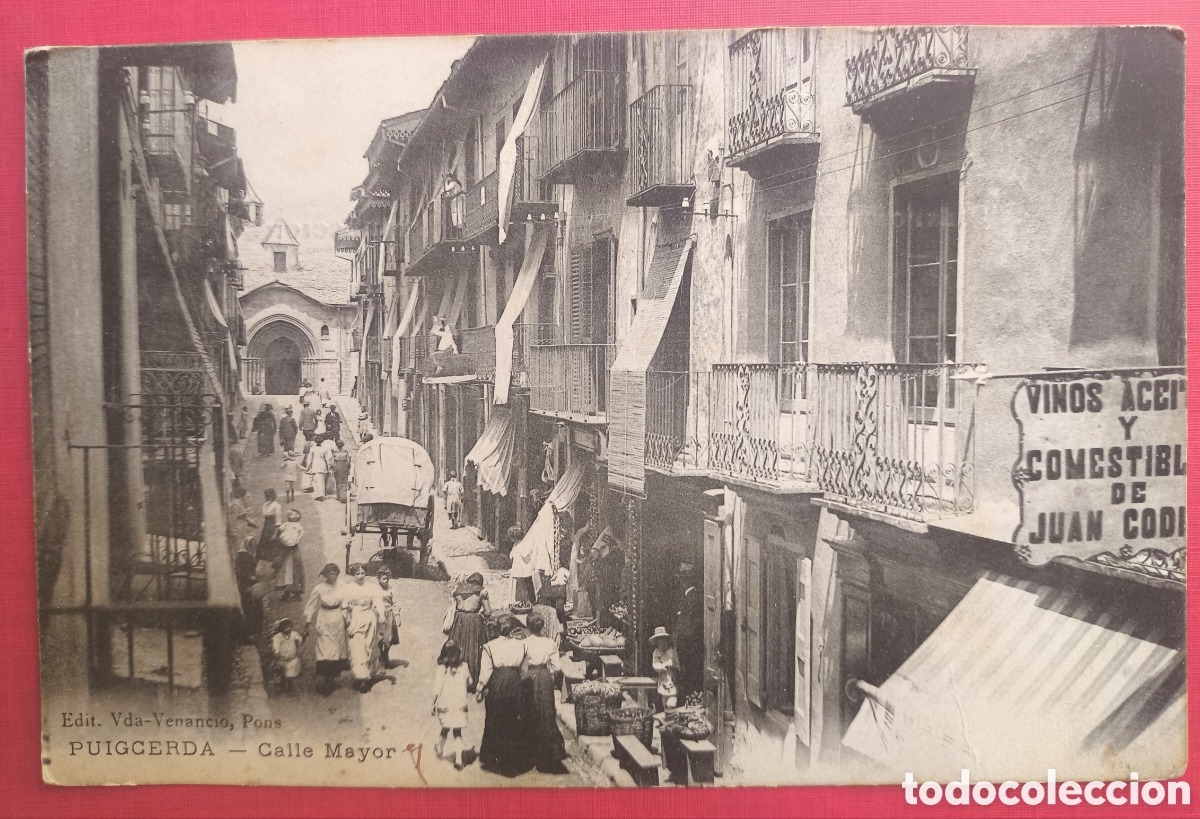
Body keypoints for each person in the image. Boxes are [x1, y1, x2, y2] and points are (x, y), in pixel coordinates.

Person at [476, 615, 533, 778]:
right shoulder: (522, 646)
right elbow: (524, 672)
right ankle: (513, 762)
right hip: (515, 684)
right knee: (514, 720)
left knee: (495, 719)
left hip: (497, 684)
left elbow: (486, 672)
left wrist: (480, 688)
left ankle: (494, 760)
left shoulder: (489, 646)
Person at [522, 613, 567, 773]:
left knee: (530, 711)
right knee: (546, 712)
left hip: (529, 676)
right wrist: (549, 675)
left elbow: (521, 664)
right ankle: (549, 751)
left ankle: (530, 751)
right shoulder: (550, 643)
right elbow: (556, 666)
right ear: (542, 627)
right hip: (545, 677)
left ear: (528, 627)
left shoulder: (524, 643)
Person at [304, 563, 349, 695]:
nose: (333, 576)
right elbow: (311, 606)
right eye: (330, 574)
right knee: (325, 648)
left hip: (338, 619)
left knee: (337, 648)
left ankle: (332, 678)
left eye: (335, 573)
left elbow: (345, 603)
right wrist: (307, 623)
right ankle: (326, 679)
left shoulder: (342, 586)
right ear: (325, 575)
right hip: (324, 619)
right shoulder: (319, 588)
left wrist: (348, 620)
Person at [443, 572, 491, 693]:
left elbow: (455, 595)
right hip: (474, 622)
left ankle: (454, 678)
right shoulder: (481, 592)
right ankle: (472, 680)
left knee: (458, 646)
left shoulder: (459, 590)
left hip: (459, 620)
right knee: (473, 649)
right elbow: (488, 612)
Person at [432, 640, 473, 770]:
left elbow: (437, 688)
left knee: (444, 729)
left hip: (446, 705)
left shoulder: (441, 669)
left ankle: (439, 749)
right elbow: (470, 683)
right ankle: (459, 759)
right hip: (460, 704)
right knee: (457, 732)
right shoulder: (465, 667)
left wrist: (433, 703)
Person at [342, 562, 382, 692]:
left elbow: (378, 602)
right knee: (357, 648)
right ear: (353, 575)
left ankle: (368, 675)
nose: (360, 576)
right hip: (355, 619)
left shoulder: (371, 587)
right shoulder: (349, 588)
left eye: (362, 573)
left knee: (368, 646)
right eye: (357, 573)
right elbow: (345, 607)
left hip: (369, 619)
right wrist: (348, 623)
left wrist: (380, 614)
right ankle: (361, 679)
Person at [275, 509, 305, 601]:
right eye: (291, 514)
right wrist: (279, 539)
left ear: (298, 518)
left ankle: (297, 593)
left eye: (295, 515)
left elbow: (300, 534)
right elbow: (279, 531)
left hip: (293, 549)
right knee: (285, 572)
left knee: (295, 570)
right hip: (285, 550)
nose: (292, 516)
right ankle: (286, 592)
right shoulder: (285, 524)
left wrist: (295, 540)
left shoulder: (298, 526)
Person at [649, 626, 680, 711]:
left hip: (672, 679)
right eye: (659, 642)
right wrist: (662, 667)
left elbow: (677, 664)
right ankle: (667, 719)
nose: (662, 644)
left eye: (663, 641)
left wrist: (673, 666)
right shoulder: (656, 652)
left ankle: (671, 715)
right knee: (664, 703)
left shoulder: (672, 651)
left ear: (667, 641)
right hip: (663, 680)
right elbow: (655, 664)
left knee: (672, 703)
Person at [376, 567, 400, 669]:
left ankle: (385, 655)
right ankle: (381, 658)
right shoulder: (375, 589)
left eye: (387, 579)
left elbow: (396, 604)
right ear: (379, 579)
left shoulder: (392, 589)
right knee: (378, 639)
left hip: (389, 615)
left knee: (388, 639)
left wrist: (398, 617)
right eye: (384, 578)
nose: (386, 581)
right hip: (378, 615)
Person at [272, 618, 303, 695]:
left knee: (290, 675)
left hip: (292, 659)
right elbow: (276, 645)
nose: (287, 627)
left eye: (289, 625)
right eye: (284, 626)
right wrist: (276, 652)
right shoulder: (278, 637)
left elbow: (300, 640)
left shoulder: (294, 634)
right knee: (282, 673)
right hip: (282, 659)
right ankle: (282, 685)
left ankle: (290, 688)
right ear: (280, 628)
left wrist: (302, 639)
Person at [256, 489, 282, 577]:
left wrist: (275, 534)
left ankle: (276, 571)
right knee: (260, 549)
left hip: (273, 529)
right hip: (266, 529)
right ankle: (252, 571)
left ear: (273, 495)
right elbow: (264, 519)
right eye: (266, 496)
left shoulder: (277, 505)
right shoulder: (265, 505)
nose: (266, 498)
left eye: (268, 496)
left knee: (274, 551)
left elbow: (278, 521)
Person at [330, 439, 352, 503]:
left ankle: (339, 496)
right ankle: (343, 496)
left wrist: (332, 468)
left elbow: (332, 462)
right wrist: (348, 468)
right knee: (344, 481)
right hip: (344, 466)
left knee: (338, 481)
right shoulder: (345, 452)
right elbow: (348, 461)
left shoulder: (334, 452)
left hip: (337, 466)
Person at [310, 434, 331, 501]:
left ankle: (317, 493)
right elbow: (327, 458)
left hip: (315, 464)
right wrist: (329, 466)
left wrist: (308, 467)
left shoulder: (312, 448)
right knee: (322, 481)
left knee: (315, 480)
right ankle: (322, 494)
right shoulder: (325, 448)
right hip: (322, 464)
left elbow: (310, 458)